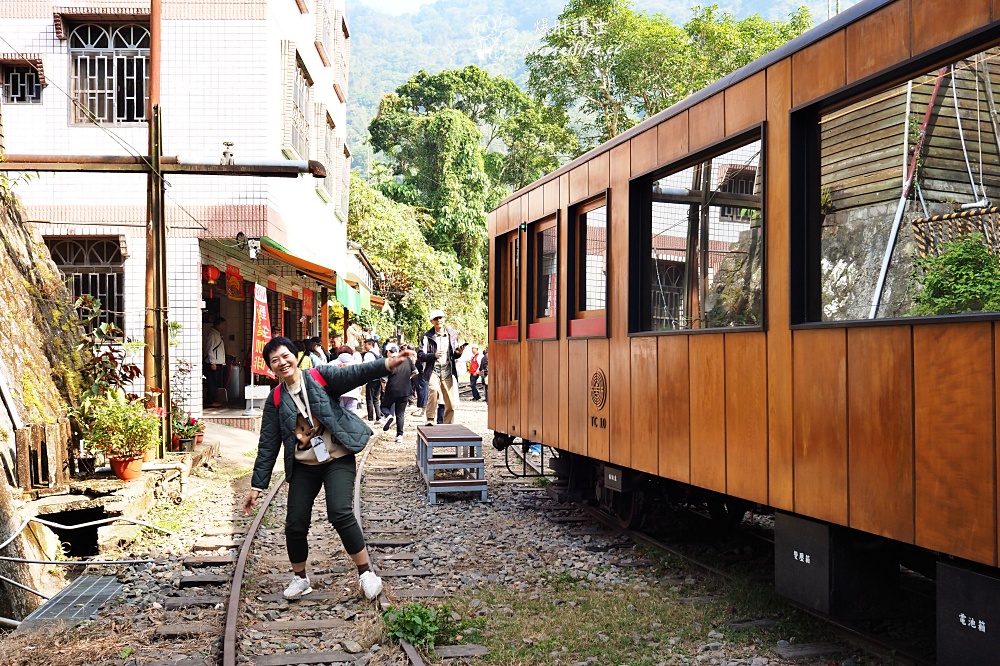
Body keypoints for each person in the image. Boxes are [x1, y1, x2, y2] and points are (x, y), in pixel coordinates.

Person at [242, 336, 417, 601]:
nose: (282, 363)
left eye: (285, 356)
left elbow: (354, 375)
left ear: (295, 356)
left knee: (340, 513)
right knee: (295, 523)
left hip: (337, 458)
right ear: (270, 367)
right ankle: (300, 578)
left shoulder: (318, 376)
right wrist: (257, 486)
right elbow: (268, 444)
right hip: (304, 466)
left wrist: (386, 364)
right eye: (274, 360)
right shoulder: (275, 399)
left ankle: (366, 573)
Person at [417, 309, 465, 425]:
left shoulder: (452, 335)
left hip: (447, 370)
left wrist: (458, 353)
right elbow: (420, 355)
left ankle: (448, 423)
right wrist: (433, 355)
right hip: (433, 369)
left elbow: (454, 355)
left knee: (450, 400)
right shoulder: (427, 337)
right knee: (434, 390)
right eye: (435, 319)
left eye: (440, 318)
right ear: (431, 321)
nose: (438, 320)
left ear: (444, 319)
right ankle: (430, 419)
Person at [380, 344, 414, 443]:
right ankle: (399, 435)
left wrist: (383, 389)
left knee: (384, 406)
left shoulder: (388, 362)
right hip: (405, 390)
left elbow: (383, 379)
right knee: (400, 414)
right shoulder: (407, 359)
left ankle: (388, 416)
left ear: (389, 352)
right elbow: (415, 371)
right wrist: (408, 378)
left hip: (391, 389)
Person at [203, 316, 226, 407]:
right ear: (218, 324)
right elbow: (209, 349)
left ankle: (213, 400)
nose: (223, 326)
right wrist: (212, 362)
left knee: (215, 382)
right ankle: (210, 401)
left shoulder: (217, 334)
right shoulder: (212, 334)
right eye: (223, 324)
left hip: (218, 362)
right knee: (212, 382)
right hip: (213, 363)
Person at [335, 346, 362, 412]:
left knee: (340, 416)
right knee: (351, 417)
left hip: (338, 394)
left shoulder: (332, 364)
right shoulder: (357, 365)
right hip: (353, 393)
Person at [362, 339, 382, 422]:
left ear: (370, 345)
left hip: (371, 379)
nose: (364, 347)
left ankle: (370, 417)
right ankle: (378, 416)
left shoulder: (368, 355)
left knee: (369, 399)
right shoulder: (378, 353)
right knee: (376, 398)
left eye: (366, 345)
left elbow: (365, 366)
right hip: (379, 379)